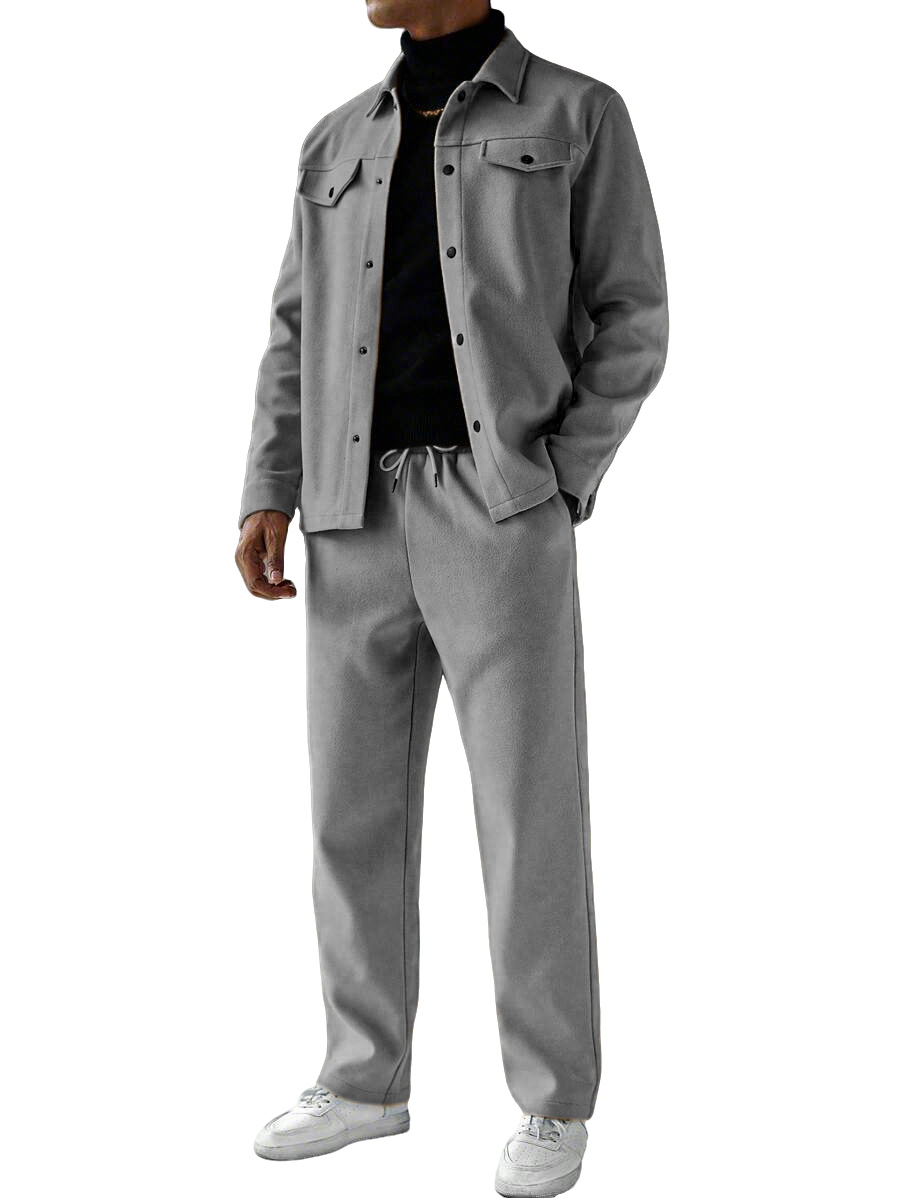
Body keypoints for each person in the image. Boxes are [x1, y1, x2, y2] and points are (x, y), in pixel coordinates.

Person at [235, 3, 667, 1194]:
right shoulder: (335, 140)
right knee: (350, 812)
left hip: (500, 508)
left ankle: (553, 1100)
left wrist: (558, 479)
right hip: (347, 510)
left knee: (528, 813)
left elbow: (634, 310)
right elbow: (292, 332)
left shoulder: (577, 114)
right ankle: (363, 1078)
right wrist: (269, 487)